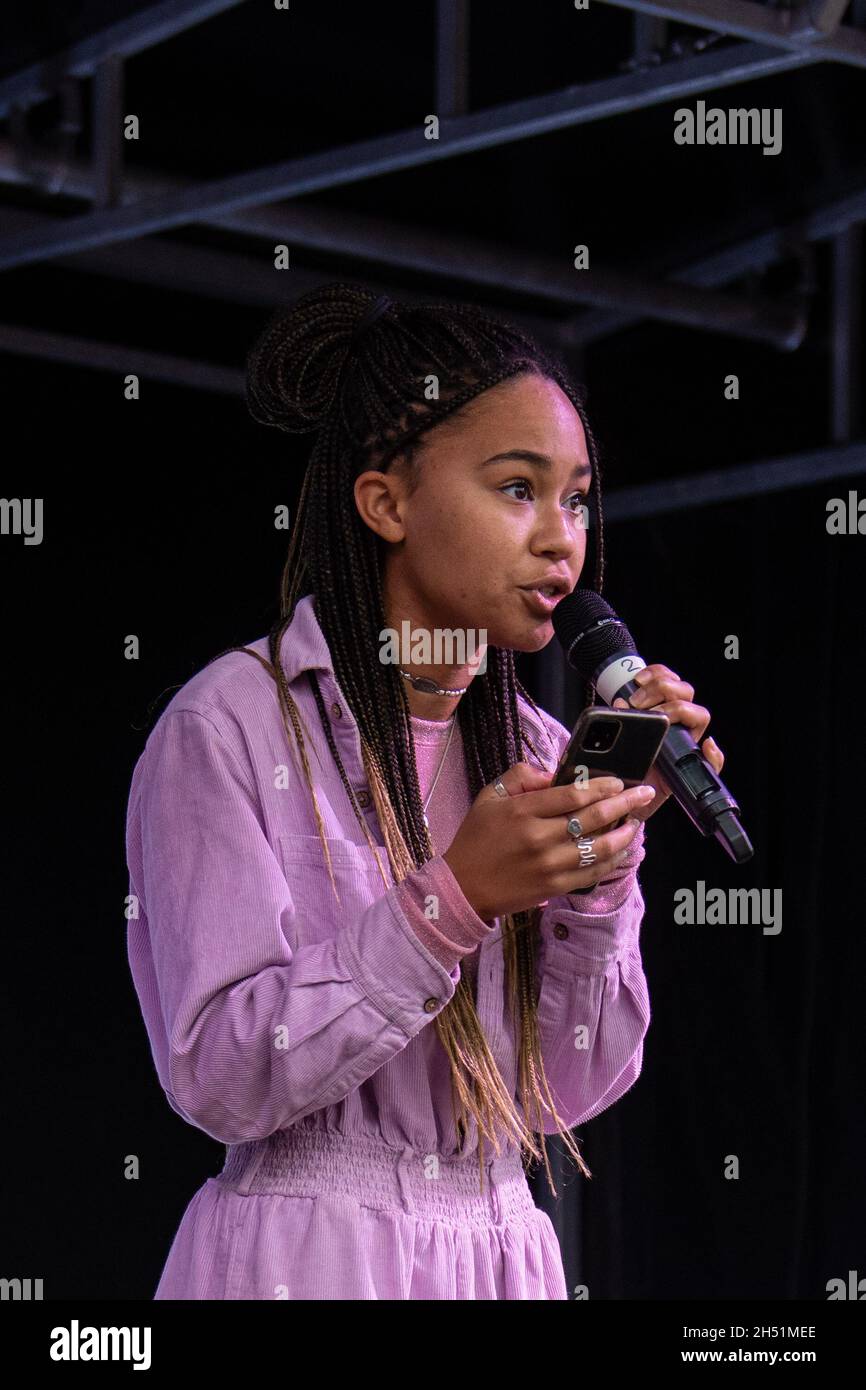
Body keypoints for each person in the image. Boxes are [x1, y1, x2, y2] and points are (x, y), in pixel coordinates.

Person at [125, 281, 724, 1300]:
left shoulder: (534, 746)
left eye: (576, 498)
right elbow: (219, 1073)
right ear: (386, 502)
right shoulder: (229, 722)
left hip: (500, 1248)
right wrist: (450, 905)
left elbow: (563, 1093)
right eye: (516, 488)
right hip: (307, 1256)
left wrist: (596, 875)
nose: (560, 537)